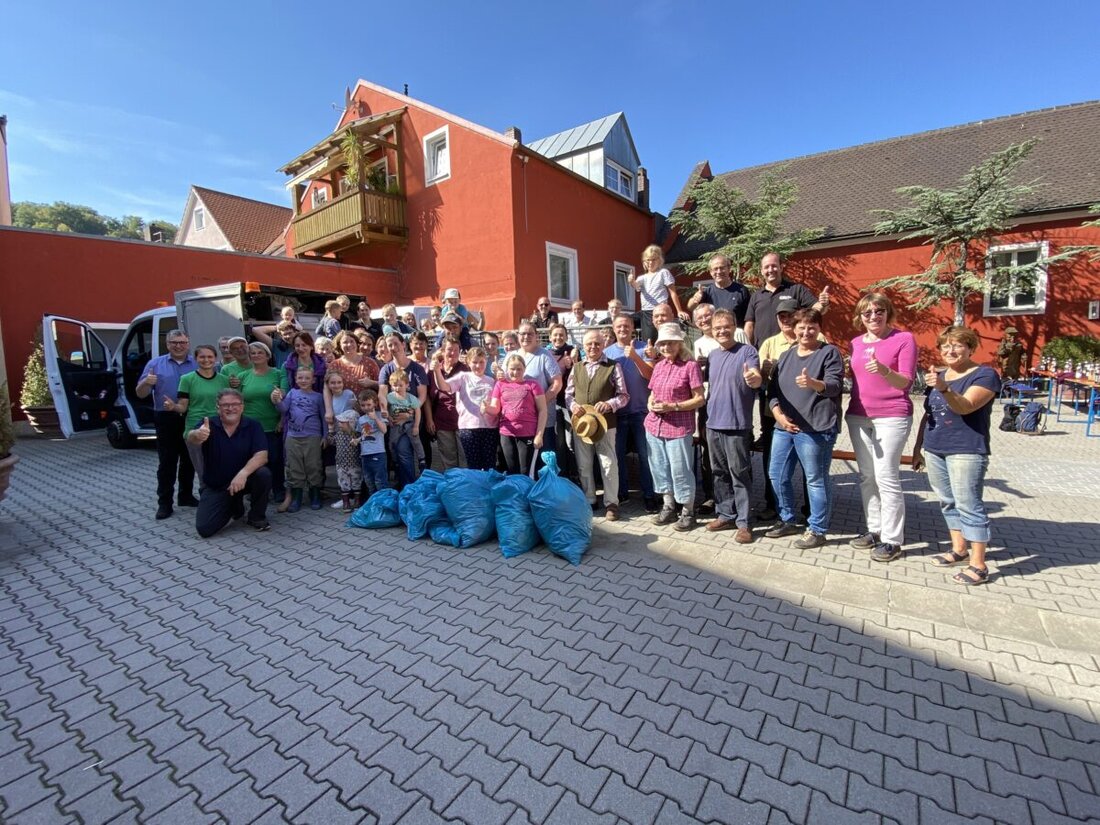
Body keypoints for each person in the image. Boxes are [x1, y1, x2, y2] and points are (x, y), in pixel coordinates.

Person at [912, 326, 1000, 586]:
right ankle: (959, 549)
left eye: (957, 345)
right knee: (947, 501)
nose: (950, 351)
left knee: (968, 505)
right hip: (935, 448)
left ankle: (979, 564)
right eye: (945, 346)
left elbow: (966, 406)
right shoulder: (940, 375)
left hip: (966, 449)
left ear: (971, 348)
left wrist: (945, 388)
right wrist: (917, 448)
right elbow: (929, 414)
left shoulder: (985, 375)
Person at [846, 293, 918, 563]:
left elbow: (906, 382)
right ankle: (874, 530)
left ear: (888, 313)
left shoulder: (903, 339)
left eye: (879, 311)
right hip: (858, 415)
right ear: (860, 317)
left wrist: (885, 370)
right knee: (867, 476)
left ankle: (892, 540)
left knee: (886, 476)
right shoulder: (855, 343)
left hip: (891, 415)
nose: (873, 316)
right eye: (867, 313)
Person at [766, 309, 844, 549]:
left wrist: (813, 383)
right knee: (777, 475)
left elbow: (834, 386)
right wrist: (778, 415)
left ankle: (817, 529)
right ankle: (787, 519)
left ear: (819, 329)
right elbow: (772, 392)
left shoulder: (829, 353)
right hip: (785, 427)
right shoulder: (786, 356)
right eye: (801, 326)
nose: (806, 331)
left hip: (816, 429)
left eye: (812, 327)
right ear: (794, 328)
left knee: (815, 480)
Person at [704, 309, 761, 542]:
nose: (722, 331)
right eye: (717, 328)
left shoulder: (747, 351)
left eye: (726, 326)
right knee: (719, 473)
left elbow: (755, 375)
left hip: (737, 424)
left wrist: (754, 378)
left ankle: (744, 523)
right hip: (713, 423)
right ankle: (725, 514)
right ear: (711, 330)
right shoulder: (712, 356)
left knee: (739, 473)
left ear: (734, 327)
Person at [757, 297, 817, 520]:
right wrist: (764, 371)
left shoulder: (816, 339)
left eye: (789, 315)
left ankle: (810, 509)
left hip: (807, 412)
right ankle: (773, 505)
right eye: (781, 316)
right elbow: (760, 379)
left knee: (808, 464)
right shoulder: (769, 343)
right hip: (774, 412)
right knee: (773, 461)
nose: (785, 320)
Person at [187, 389, 272, 536]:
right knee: (205, 529)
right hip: (217, 484)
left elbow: (262, 456)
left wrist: (243, 473)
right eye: (225, 405)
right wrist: (197, 434)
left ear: (242, 406)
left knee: (263, 474)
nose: (231, 408)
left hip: (244, 480)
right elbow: (191, 438)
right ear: (218, 407)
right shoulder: (207, 424)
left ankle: (256, 516)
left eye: (235, 404)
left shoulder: (253, 425)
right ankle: (234, 506)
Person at [646, 323, 705, 531]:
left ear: (680, 343)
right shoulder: (659, 366)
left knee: (681, 470)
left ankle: (688, 511)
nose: (666, 347)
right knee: (660, 468)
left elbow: (699, 399)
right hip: (654, 426)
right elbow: (652, 392)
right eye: (662, 343)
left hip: (679, 428)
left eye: (670, 343)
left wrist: (673, 406)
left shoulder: (690, 366)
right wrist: (650, 403)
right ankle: (669, 506)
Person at [566, 330, 630, 520]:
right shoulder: (577, 367)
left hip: (605, 424)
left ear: (603, 345)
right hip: (582, 424)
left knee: (608, 464)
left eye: (597, 343)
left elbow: (624, 396)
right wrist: (573, 406)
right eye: (589, 344)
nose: (593, 347)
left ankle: (611, 503)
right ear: (583, 346)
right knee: (584, 464)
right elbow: (568, 394)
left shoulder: (613, 366)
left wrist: (610, 404)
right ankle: (590, 499)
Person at [136, 328, 197, 520]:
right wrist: (147, 382)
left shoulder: (196, 363)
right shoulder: (155, 364)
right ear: (167, 344)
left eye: (182, 342)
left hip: (190, 416)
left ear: (188, 343)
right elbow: (140, 393)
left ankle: (185, 496)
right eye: (174, 343)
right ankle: (164, 503)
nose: (178, 346)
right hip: (166, 418)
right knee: (167, 462)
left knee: (189, 459)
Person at [604, 313, 658, 512]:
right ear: (614, 328)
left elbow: (651, 375)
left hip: (641, 411)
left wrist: (635, 357)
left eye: (626, 325)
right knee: (618, 455)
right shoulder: (607, 352)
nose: (623, 329)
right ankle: (622, 492)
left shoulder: (645, 348)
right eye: (619, 326)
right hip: (617, 413)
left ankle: (649, 495)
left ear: (632, 327)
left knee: (646, 456)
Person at [169, 344, 230, 494]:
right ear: (196, 359)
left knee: (222, 466)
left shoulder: (224, 380)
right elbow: (183, 406)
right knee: (203, 471)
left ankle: (225, 499)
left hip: (220, 427)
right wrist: (173, 407)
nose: (206, 360)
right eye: (202, 357)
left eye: (210, 356)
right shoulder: (187, 379)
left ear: (216, 358)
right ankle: (207, 499)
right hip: (196, 428)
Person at [238, 342, 288, 513]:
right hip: (249, 427)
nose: (256, 355)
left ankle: (278, 489)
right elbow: (238, 401)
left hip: (272, 425)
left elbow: (284, 397)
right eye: (253, 353)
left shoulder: (278, 373)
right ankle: (255, 490)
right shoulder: (243, 376)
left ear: (268, 355)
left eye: (260, 352)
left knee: (275, 460)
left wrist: (282, 420)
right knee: (252, 460)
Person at [432, 347, 498, 471]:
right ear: (468, 362)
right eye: (474, 362)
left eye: (481, 362)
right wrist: (437, 371)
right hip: (468, 427)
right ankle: (475, 484)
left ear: (486, 361)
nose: (478, 365)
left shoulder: (492, 381)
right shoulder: (463, 377)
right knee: (473, 465)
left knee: (490, 464)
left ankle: (488, 483)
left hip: (489, 428)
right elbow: (443, 386)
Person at [743, 252, 830, 347]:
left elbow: (816, 309)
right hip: (763, 350)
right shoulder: (756, 296)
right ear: (762, 271)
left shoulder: (796, 289)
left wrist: (823, 304)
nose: (770, 270)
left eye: (774, 266)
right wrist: (746, 349)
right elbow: (749, 325)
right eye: (766, 267)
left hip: (792, 348)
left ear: (781, 267)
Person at [273, 367, 327, 512]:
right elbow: (283, 409)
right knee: (294, 467)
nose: (303, 380)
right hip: (293, 437)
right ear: (295, 379)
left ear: (313, 380)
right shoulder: (292, 393)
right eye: (300, 378)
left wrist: (325, 435)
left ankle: (315, 495)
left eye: (307, 378)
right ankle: (296, 497)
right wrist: (277, 400)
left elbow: (323, 417)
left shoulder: (318, 397)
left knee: (313, 466)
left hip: (313, 437)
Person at [485, 354, 547, 475]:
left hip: (528, 433)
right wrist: (486, 408)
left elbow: (543, 410)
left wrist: (539, 435)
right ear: (507, 369)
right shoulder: (500, 384)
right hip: (506, 434)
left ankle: (527, 488)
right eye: (512, 369)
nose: (515, 372)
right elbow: (495, 409)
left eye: (519, 369)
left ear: (524, 369)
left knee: (526, 472)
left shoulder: (533, 385)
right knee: (511, 471)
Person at [517, 320, 563, 460]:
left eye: (530, 334)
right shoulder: (512, 356)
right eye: (523, 334)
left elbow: (557, 383)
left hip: (542, 420)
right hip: (520, 421)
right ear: (518, 335)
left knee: (544, 459)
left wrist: (540, 403)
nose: (526, 337)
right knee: (524, 461)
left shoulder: (544, 355)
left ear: (536, 336)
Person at [425, 337, 468, 470]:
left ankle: (465, 482)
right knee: (448, 459)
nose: (453, 353)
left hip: (463, 421)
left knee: (465, 457)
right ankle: (452, 482)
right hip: (442, 421)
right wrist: (429, 419)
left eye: (456, 350)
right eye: (450, 349)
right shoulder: (433, 370)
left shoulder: (465, 370)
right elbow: (427, 397)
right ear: (442, 351)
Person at [629, 245, 688, 341]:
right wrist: (631, 281)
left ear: (659, 260)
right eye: (648, 260)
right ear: (644, 262)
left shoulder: (663, 272)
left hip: (660, 311)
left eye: (653, 259)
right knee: (647, 339)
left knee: (661, 338)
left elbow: (673, 292)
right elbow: (636, 285)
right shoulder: (642, 278)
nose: (650, 262)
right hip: (646, 312)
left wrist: (679, 310)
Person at [327, 373, 362, 513]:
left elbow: (356, 411)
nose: (336, 385)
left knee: (356, 475)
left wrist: (351, 428)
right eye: (332, 382)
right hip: (338, 433)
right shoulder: (328, 396)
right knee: (343, 475)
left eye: (339, 382)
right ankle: (346, 500)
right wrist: (331, 430)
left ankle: (356, 500)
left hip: (351, 428)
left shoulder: (348, 394)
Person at [385, 368, 424, 487]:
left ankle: (421, 459)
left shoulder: (411, 398)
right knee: (392, 443)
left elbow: (417, 411)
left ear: (407, 385)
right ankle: (395, 461)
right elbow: (386, 409)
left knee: (415, 440)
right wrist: (389, 418)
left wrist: (416, 426)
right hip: (396, 425)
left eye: (400, 385)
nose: (397, 388)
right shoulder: (390, 397)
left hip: (409, 423)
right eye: (395, 385)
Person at [688, 254, 752, 327]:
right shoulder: (706, 292)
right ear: (711, 272)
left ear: (729, 269)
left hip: (735, 333)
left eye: (722, 268)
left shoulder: (741, 291)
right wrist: (695, 299)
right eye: (715, 269)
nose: (719, 272)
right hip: (713, 333)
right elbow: (690, 308)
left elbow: (749, 319)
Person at [547, 324, 577, 480]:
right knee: (558, 440)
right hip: (553, 401)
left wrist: (573, 362)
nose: (558, 338)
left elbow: (579, 373)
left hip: (569, 401)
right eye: (555, 335)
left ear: (566, 336)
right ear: (550, 337)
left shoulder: (573, 351)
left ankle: (574, 474)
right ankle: (562, 474)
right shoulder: (546, 354)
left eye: (561, 335)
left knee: (571, 440)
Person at [357, 390, 389, 497]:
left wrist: (375, 418)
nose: (366, 407)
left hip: (378, 452)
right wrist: (356, 440)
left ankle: (384, 501)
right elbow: (362, 435)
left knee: (380, 480)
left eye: (369, 404)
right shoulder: (361, 419)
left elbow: (384, 430)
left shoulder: (380, 415)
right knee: (369, 481)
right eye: (363, 405)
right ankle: (373, 502)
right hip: (365, 454)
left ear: (375, 403)